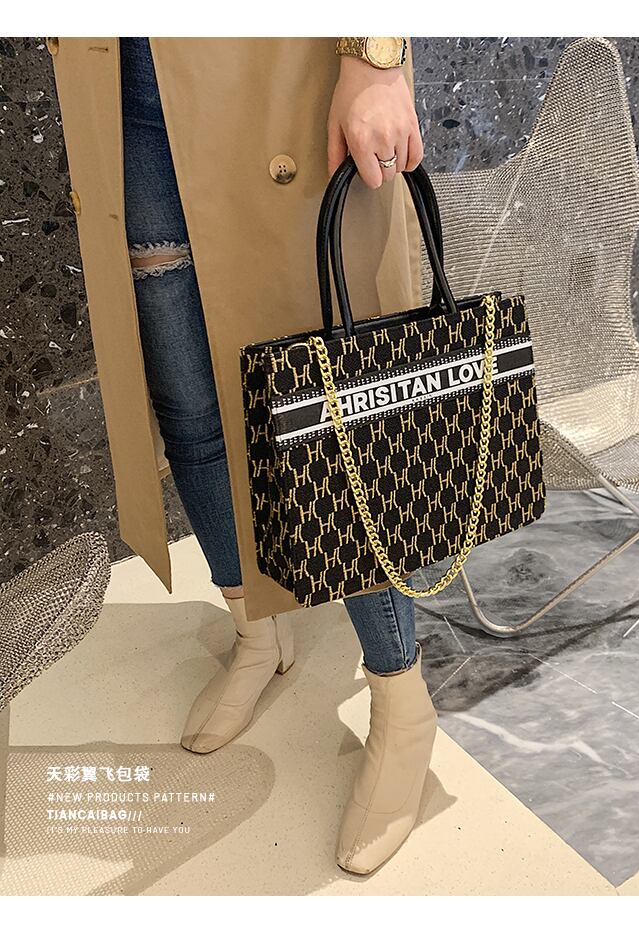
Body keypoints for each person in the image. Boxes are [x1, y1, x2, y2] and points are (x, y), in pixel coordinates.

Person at [118, 37, 437, 875]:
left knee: (335, 409)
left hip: (278, 66)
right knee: (189, 401)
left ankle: (402, 698)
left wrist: (376, 56)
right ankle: (257, 636)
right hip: (131, 82)